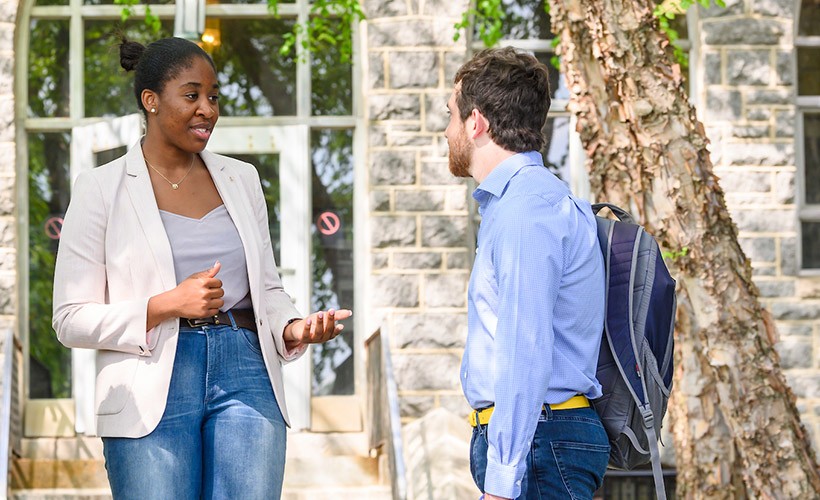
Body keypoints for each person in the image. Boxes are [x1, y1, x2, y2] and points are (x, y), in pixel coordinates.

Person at [51, 36, 351, 499]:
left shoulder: (242, 179)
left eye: (213, 97)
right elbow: (70, 319)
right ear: (150, 101)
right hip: (151, 376)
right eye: (192, 95)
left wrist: (291, 328)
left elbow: (266, 287)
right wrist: (168, 303)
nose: (207, 109)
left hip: (245, 367)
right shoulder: (100, 188)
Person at [446, 47, 610, 499]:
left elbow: (526, 346)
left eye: (450, 116)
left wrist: (502, 478)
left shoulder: (526, 210)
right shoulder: (524, 203)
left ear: (475, 122)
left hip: (541, 441)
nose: (446, 132)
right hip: (540, 438)